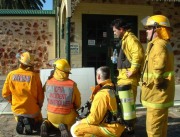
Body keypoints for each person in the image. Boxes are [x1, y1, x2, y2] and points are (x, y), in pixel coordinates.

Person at [141, 15, 175, 137]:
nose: (146, 30)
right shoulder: (165, 44)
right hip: (160, 95)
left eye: (149, 28)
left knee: (153, 130)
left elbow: (158, 67)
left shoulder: (158, 45)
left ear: (158, 29)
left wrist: (157, 82)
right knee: (161, 127)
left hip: (156, 94)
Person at [71, 66, 125, 137]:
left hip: (111, 129)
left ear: (98, 76)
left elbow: (95, 119)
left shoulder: (101, 94)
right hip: (118, 126)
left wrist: (81, 121)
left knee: (75, 129)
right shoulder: (111, 88)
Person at [111, 18, 144, 133]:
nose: (114, 32)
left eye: (115, 30)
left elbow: (138, 54)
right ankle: (126, 126)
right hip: (123, 77)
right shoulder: (126, 39)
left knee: (128, 106)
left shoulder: (130, 39)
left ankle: (130, 128)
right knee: (124, 106)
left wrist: (133, 70)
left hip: (128, 79)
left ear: (121, 29)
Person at [2, 51, 44, 135]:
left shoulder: (11, 74)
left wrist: (12, 102)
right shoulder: (34, 76)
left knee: (18, 114)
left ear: (20, 63)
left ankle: (21, 119)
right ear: (31, 65)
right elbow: (40, 97)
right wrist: (39, 106)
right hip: (32, 111)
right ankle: (31, 122)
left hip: (17, 110)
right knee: (38, 120)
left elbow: (5, 94)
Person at [40, 59, 81, 137]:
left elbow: (43, 90)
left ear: (56, 70)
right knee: (73, 123)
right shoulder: (72, 85)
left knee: (49, 120)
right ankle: (65, 126)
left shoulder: (48, 82)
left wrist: (50, 77)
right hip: (66, 116)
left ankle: (46, 124)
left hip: (52, 114)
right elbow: (78, 103)